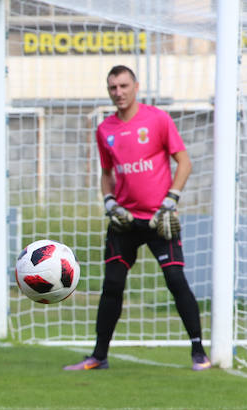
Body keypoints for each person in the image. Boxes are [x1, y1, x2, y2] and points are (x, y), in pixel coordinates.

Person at [65, 65, 210, 372]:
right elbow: (107, 174)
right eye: (113, 88)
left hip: (159, 219)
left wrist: (171, 200)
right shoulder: (105, 129)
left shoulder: (157, 119)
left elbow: (184, 162)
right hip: (124, 223)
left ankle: (199, 351)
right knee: (112, 285)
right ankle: (98, 356)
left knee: (175, 279)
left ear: (136, 86)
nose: (118, 92)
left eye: (123, 86)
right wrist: (109, 203)